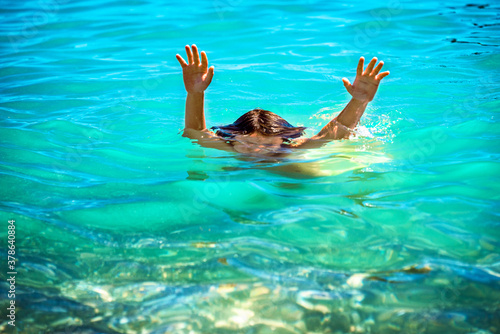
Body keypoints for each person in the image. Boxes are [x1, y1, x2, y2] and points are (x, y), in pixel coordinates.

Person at [176, 44, 389, 156]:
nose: (256, 154)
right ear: (234, 140)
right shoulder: (229, 148)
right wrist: (195, 93)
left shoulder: (292, 151)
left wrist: (360, 101)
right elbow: (194, 132)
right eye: (248, 144)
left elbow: (336, 132)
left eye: (267, 145)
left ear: (282, 142)